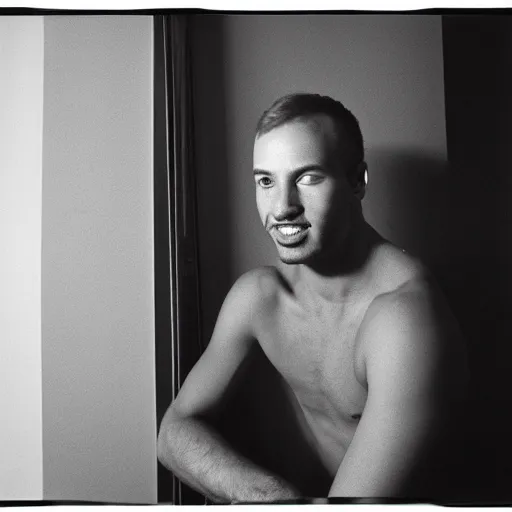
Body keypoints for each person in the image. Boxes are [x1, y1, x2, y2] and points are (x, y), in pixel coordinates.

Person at [157, 93, 468, 503]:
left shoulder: (404, 319)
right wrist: (271, 496)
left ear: (358, 181)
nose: (282, 207)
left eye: (307, 177)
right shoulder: (261, 297)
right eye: (265, 181)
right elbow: (173, 431)